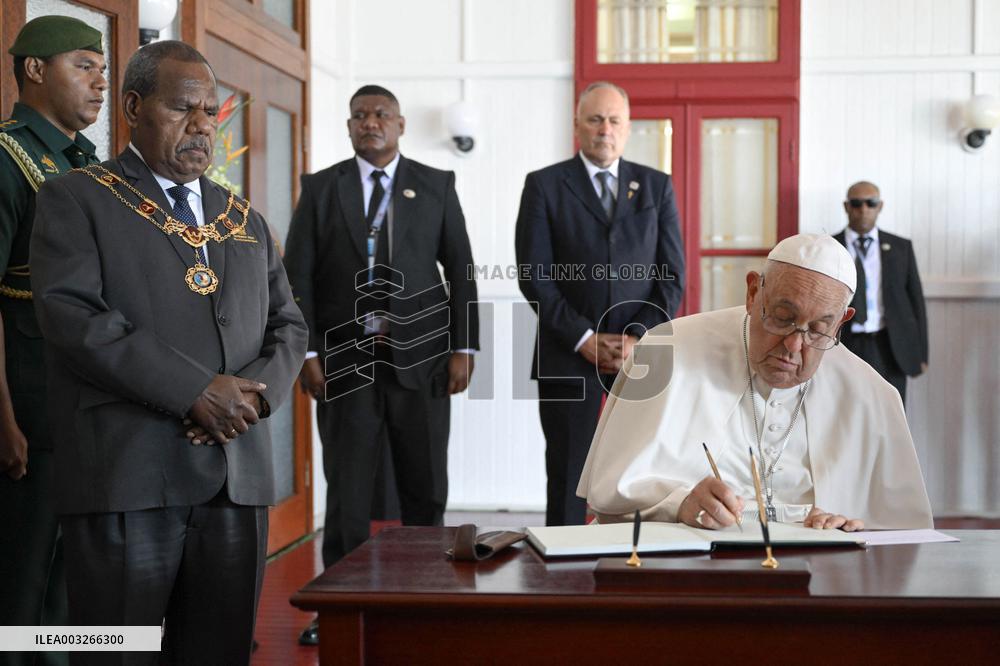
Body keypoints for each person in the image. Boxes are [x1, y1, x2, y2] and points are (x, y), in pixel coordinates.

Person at [30, 41, 307, 664]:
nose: (203, 124)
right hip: (128, 477)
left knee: (219, 650)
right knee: (115, 652)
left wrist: (245, 402)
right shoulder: (77, 199)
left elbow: (288, 327)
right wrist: (196, 391)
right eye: (184, 108)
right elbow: (73, 318)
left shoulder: (244, 219)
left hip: (235, 478)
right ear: (133, 106)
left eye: (211, 110)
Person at [283, 84, 479, 646]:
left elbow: (461, 269)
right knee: (345, 489)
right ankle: (337, 606)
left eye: (381, 115)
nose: (371, 123)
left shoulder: (436, 185)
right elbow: (297, 277)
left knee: (425, 488)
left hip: (424, 361)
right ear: (348, 127)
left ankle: (427, 598)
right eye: (360, 116)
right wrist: (309, 352)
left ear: (400, 125)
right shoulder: (321, 189)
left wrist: (465, 347)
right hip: (343, 362)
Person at [577, 234, 933, 531]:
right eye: (782, 317)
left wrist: (847, 529)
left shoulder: (872, 396)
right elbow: (610, 496)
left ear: (842, 322)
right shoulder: (662, 351)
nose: (794, 345)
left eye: (819, 330)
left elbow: (903, 536)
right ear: (752, 293)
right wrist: (678, 503)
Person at [514, 81, 684, 526]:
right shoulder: (544, 186)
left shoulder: (657, 187)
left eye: (613, 120)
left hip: (641, 358)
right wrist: (583, 337)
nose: (604, 129)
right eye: (594, 119)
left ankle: (631, 575)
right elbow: (535, 277)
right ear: (576, 126)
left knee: (640, 471)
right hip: (565, 354)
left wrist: (633, 338)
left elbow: (672, 278)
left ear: (627, 129)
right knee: (569, 473)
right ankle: (564, 578)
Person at [0, 16, 107, 666]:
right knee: (22, 587)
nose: (100, 80)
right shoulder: (8, 158)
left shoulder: (82, 161)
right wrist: (3, 419)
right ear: (34, 70)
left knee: (68, 584)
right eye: (83, 65)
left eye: (102, 67)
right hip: (29, 414)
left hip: (80, 412)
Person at [834, 181, 928, 404]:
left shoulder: (900, 247)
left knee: (890, 412)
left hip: (890, 345)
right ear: (847, 207)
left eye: (871, 203)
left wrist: (921, 353)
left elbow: (916, 304)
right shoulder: (830, 246)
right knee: (845, 409)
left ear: (880, 206)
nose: (863, 209)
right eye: (856, 203)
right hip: (844, 342)